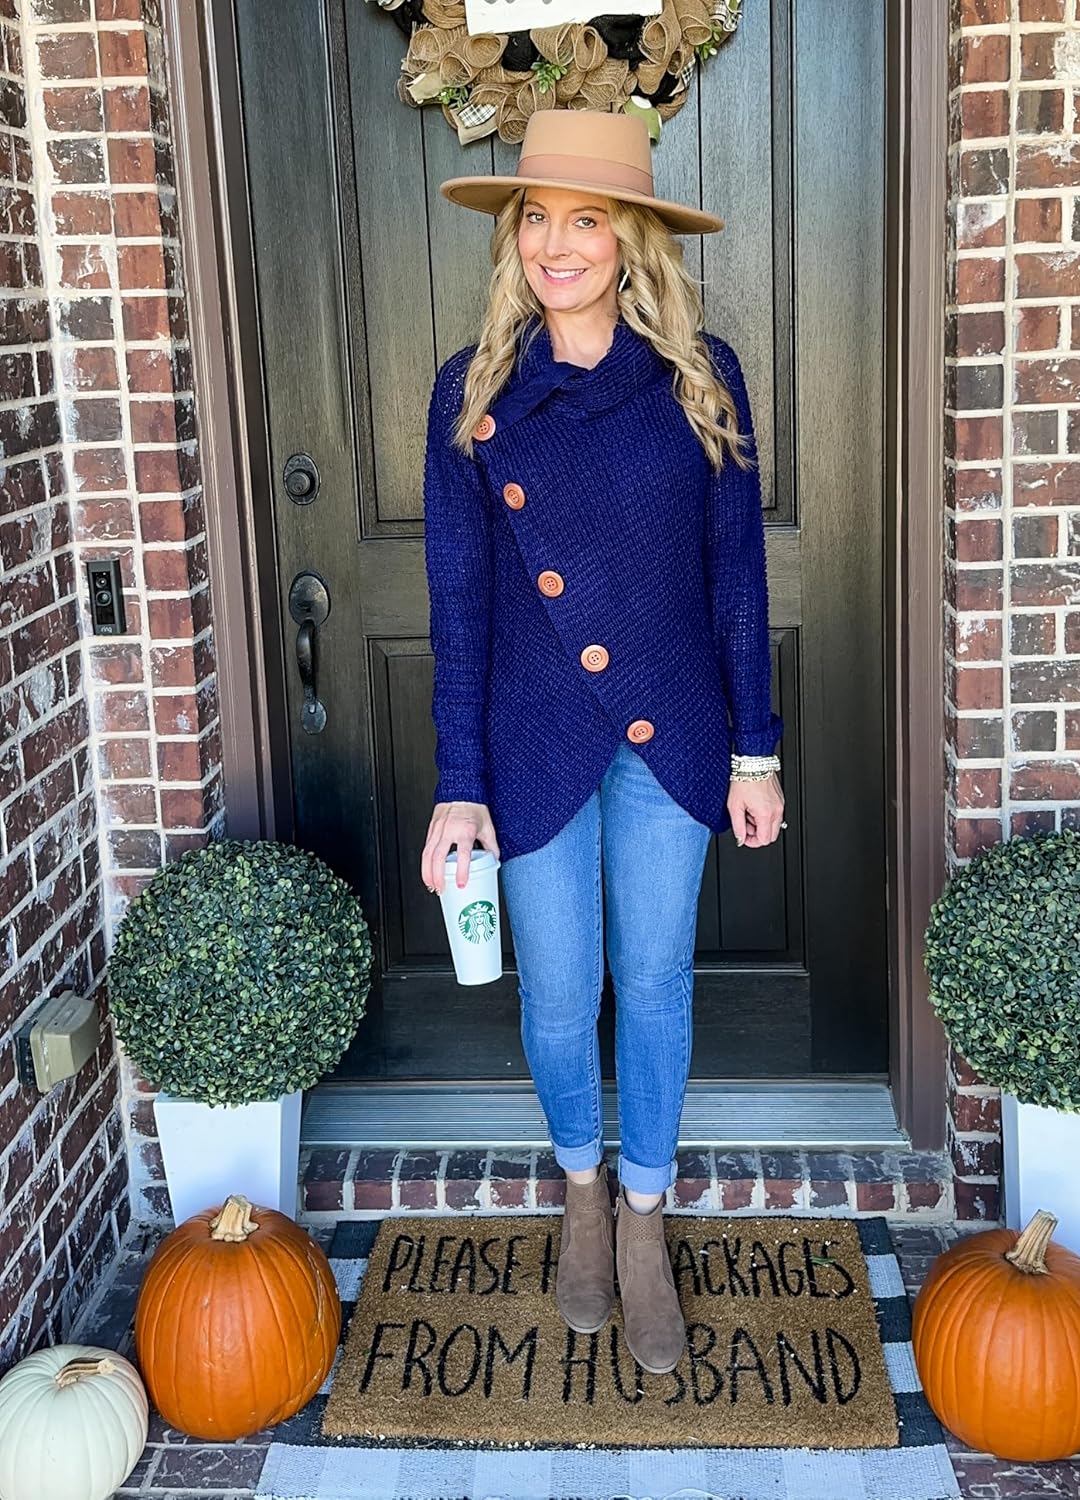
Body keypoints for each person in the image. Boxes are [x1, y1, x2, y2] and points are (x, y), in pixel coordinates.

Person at [418, 109, 785, 1376]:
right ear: (514, 236)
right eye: (537, 218)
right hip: (533, 740)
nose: (557, 244)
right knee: (562, 992)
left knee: (659, 981)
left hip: (671, 733)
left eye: (588, 220)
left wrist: (755, 751)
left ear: (631, 241)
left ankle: (642, 1216)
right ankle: (581, 1188)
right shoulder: (475, 392)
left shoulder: (700, 377)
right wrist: (459, 783)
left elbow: (736, 577)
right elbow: (458, 603)